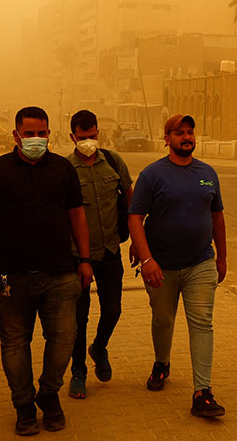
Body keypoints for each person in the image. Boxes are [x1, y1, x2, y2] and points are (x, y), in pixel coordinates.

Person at [0, 106, 93, 436]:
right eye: (29, 134)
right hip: (10, 276)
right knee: (14, 344)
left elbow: (77, 216)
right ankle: (24, 406)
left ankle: (49, 394)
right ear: (16, 135)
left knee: (65, 338)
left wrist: (84, 259)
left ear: (49, 134)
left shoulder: (64, 170)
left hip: (60, 274)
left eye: (42, 134)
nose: (36, 139)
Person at [128, 114, 227, 418]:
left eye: (190, 132)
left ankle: (203, 391)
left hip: (200, 262)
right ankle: (162, 363)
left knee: (202, 323)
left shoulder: (208, 173)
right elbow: (135, 218)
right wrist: (146, 260)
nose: (187, 137)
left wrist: (221, 257)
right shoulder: (152, 175)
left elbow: (217, 217)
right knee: (163, 319)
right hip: (161, 266)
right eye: (179, 133)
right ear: (167, 139)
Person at [65, 110, 134, 399]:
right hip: (77, 256)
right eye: (82, 138)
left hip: (110, 250)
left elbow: (131, 202)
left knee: (113, 309)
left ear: (98, 133)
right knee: (78, 318)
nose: (89, 142)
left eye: (92, 136)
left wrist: (139, 244)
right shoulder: (65, 168)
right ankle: (78, 372)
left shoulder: (114, 161)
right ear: (72, 137)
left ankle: (100, 347)